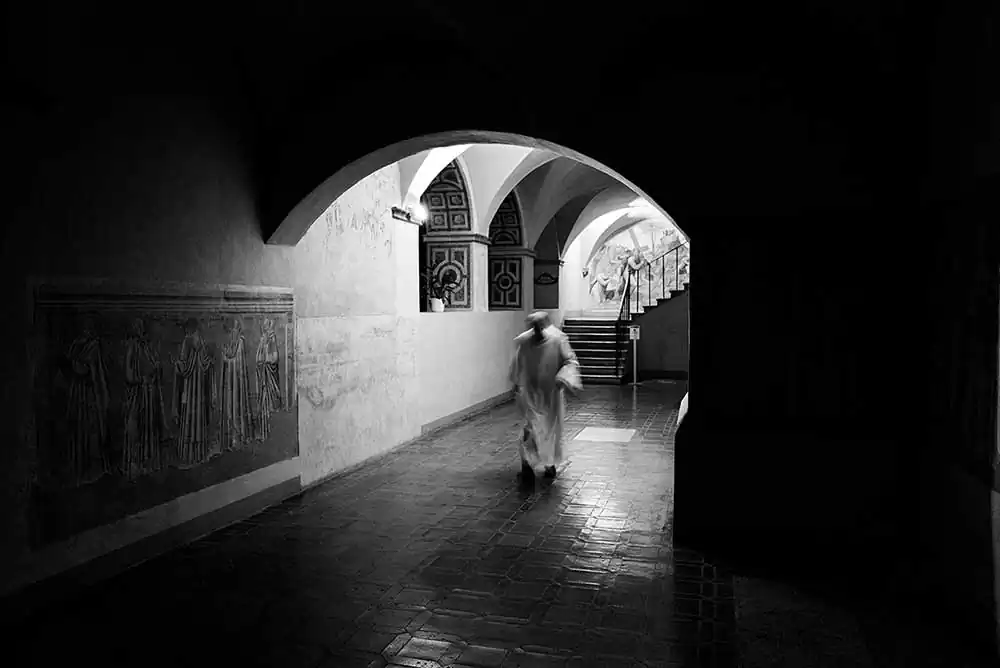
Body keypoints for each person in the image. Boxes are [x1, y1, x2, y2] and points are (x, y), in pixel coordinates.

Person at [509, 311, 583, 480]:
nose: (535, 330)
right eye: (532, 326)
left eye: (538, 326)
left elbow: (570, 361)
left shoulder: (558, 340)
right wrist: (516, 383)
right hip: (530, 393)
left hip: (550, 394)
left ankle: (549, 463)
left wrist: (563, 378)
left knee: (549, 431)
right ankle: (526, 463)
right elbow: (518, 362)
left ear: (545, 325)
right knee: (530, 429)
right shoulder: (525, 341)